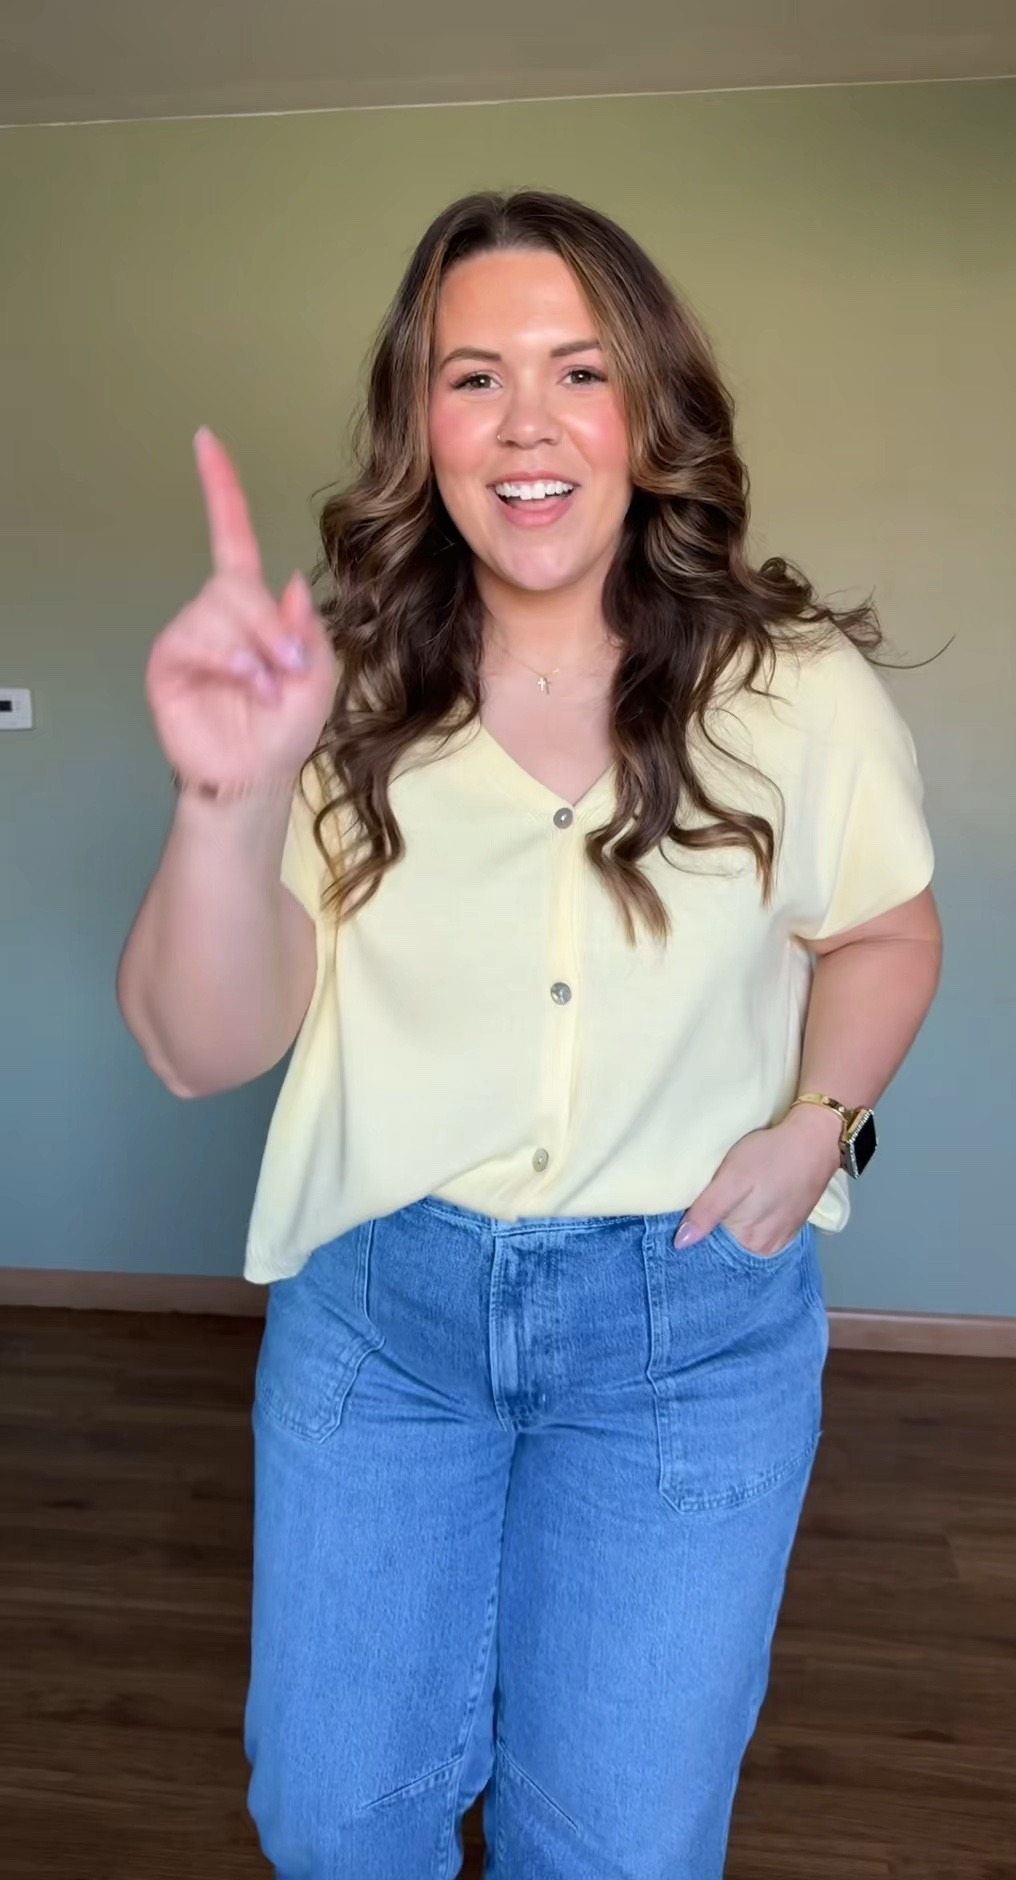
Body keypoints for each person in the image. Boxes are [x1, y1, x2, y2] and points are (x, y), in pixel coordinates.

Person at [117, 189, 943, 1880]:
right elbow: (203, 1046)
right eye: (473, 376)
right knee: (335, 1824)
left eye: (579, 369)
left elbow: (884, 930)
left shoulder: (791, 687)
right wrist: (226, 798)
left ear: (649, 406)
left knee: (619, 1847)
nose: (528, 423)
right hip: (382, 1321)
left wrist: (822, 1123)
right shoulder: (338, 693)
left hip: (688, 1332)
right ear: (419, 425)